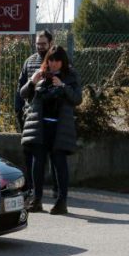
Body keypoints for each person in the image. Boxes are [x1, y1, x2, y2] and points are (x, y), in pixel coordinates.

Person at [20, 45, 81, 214]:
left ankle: (62, 201)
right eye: (51, 60)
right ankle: (36, 200)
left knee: (59, 163)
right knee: (37, 163)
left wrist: (62, 85)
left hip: (60, 127)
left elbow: (77, 98)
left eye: (57, 60)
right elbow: (23, 94)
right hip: (40, 126)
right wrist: (32, 81)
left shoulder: (71, 76)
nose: (53, 64)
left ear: (63, 61)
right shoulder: (41, 74)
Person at [16, 30, 59, 200]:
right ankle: (32, 189)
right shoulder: (30, 61)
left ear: (50, 43)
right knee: (31, 156)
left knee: (54, 156)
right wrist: (18, 110)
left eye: (43, 44)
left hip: (51, 117)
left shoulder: (57, 61)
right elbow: (21, 89)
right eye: (38, 44)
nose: (40, 47)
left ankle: (57, 188)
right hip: (31, 115)